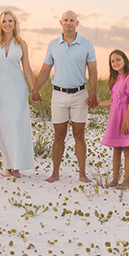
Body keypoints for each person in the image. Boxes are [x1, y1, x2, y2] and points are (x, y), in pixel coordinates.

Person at [32, 10, 98, 183]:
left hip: (79, 94)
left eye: (72, 20)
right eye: (66, 20)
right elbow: (46, 69)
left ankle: (82, 174)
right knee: (59, 135)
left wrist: (94, 93)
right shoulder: (53, 44)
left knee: (79, 135)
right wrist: (36, 89)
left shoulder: (86, 44)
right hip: (59, 95)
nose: (69, 23)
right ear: (61, 23)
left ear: (77, 23)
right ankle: (55, 173)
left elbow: (93, 71)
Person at [0, 10, 36, 178]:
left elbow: (27, 69)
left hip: (18, 90)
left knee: (16, 126)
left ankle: (16, 167)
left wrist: (34, 89)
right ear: (0, 25)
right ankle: (7, 166)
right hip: (0, 90)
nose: (7, 24)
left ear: (15, 23)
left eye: (10, 21)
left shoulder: (21, 44)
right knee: (4, 128)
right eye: (4, 21)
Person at [95, 50, 129, 190]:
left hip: (125, 118)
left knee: (126, 149)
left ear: (124, 60)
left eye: (118, 59)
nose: (115, 63)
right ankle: (115, 179)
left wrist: (126, 121)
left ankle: (126, 181)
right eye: (112, 61)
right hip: (115, 118)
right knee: (116, 149)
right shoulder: (115, 80)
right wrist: (96, 103)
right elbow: (111, 101)